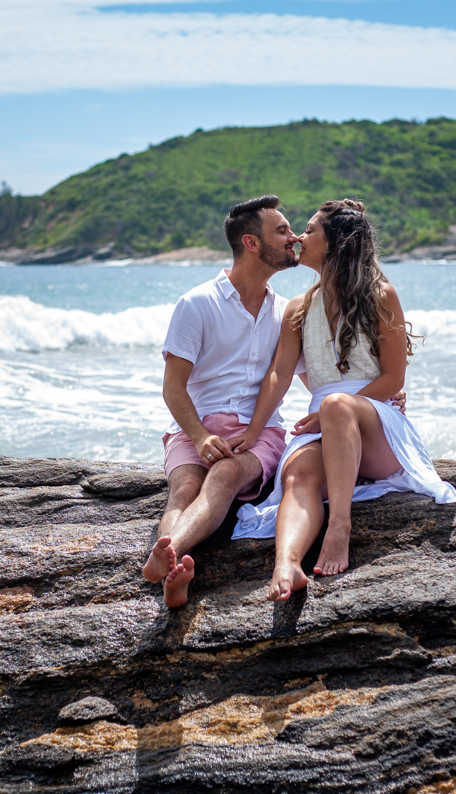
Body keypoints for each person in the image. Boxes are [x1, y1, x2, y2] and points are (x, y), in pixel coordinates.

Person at [229, 199, 456, 602]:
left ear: (336, 243)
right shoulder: (298, 308)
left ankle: (340, 527)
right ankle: (287, 562)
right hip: (324, 422)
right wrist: (252, 431)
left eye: (310, 230)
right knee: (297, 476)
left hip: (376, 426)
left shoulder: (380, 295)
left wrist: (329, 414)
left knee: (335, 404)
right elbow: (280, 374)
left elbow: (393, 377)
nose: (299, 237)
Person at [142, 195, 299, 608]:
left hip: (259, 432)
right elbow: (173, 387)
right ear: (251, 242)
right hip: (196, 428)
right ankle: (172, 574)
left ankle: (164, 557)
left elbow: (318, 373)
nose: (293, 237)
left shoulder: (286, 314)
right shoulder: (196, 303)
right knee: (184, 489)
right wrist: (198, 437)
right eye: (282, 230)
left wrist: (384, 393)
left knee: (225, 475)